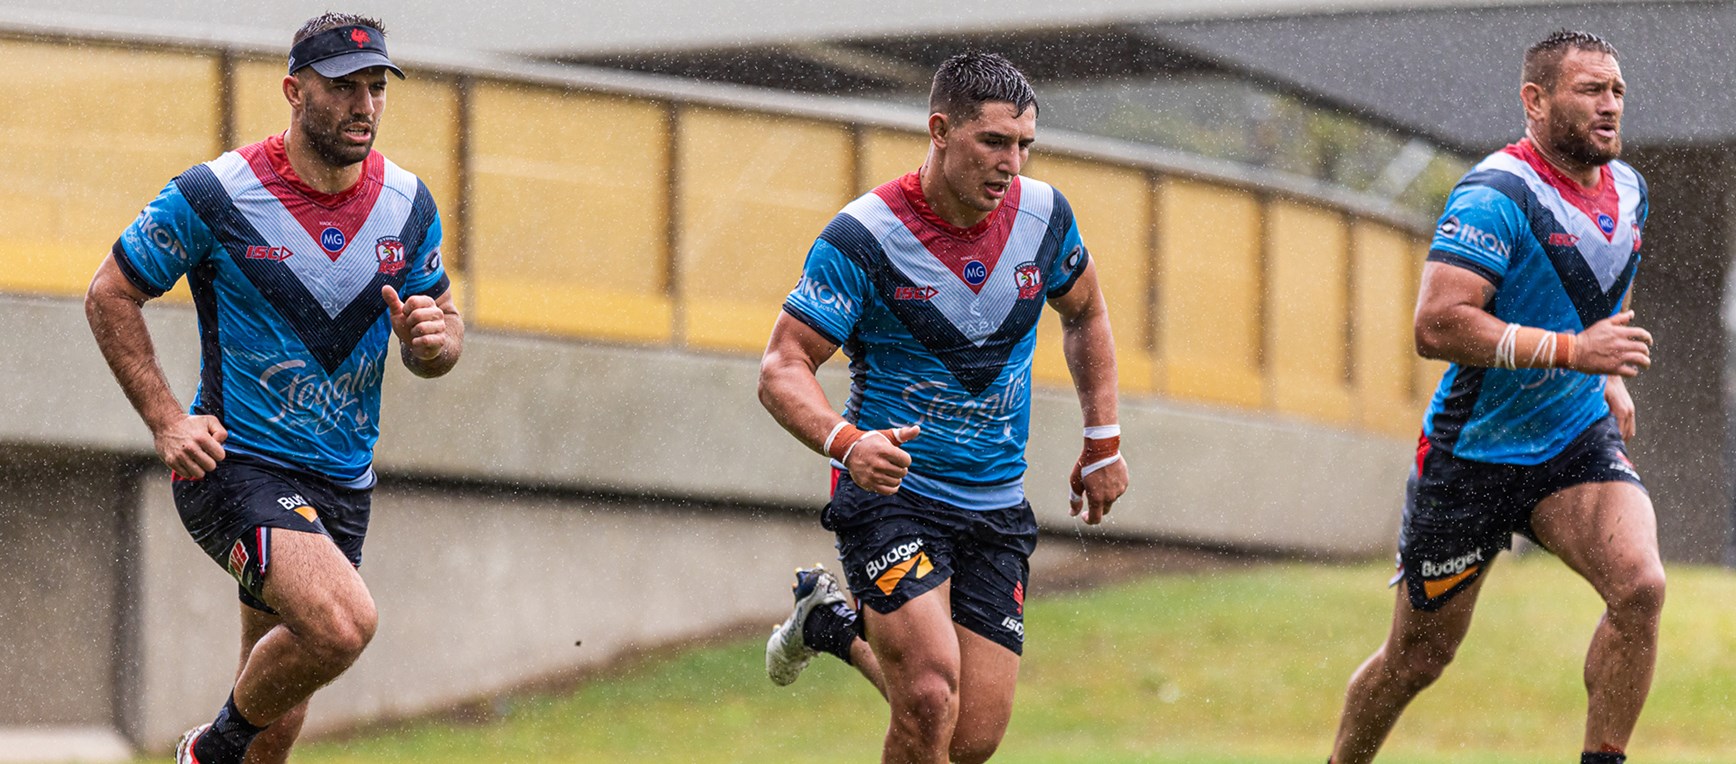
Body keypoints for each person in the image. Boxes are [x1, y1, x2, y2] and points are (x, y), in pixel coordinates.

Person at [83, 13, 461, 764]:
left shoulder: (409, 205)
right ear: (294, 90)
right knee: (341, 626)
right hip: (236, 467)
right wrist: (165, 420)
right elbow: (109, 293)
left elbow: (439, 334)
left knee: (276, 722)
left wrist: (436, 342)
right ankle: (207, 751)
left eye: (377, 88)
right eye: (344, 87)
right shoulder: (214, 194)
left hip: (344, 483)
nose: (365, 105)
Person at [757, 52, 1129, 763]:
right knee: (929, 695)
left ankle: (832, 626)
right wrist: (845, 442)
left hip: (994, 505)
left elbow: (1086, 314)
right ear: (939, 130)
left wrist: (1102, 437)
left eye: (1024, 145)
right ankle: (842, 623)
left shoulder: (1047, 217)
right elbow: (783, 365)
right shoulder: (863, 238)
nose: (1011, 164)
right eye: (993, 142)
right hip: (893, 494)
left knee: (967, 741)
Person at [1327, 30, 1660, 764]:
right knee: (1416, 663)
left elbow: (1603, 284)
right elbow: (1438, 324)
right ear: (1535, 101)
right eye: (1590, 91)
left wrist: (1604, 376)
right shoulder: (1495, 196)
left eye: (1617, 92)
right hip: (1472, 456)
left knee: (1639, 586)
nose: (1610, 108)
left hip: (1573, 441)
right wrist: (1577, 352)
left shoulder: (1630, 189)